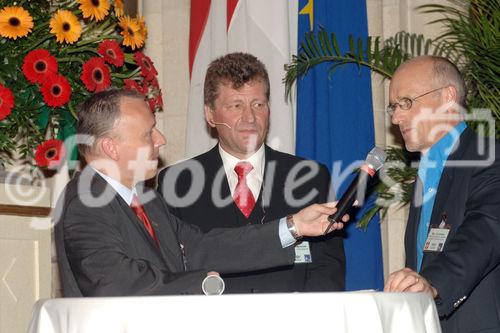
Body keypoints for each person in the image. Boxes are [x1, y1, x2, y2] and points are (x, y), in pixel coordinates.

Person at [54, 88, 347, 297]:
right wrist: (198, 284)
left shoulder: (147, 201)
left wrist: (295, 226)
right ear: (111, 147)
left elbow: (203, 247)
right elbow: (114, 283)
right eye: (148, 133)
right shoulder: (85, 201)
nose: (161, 140)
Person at [157, 52, 345, 293]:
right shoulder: (178, 182)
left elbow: (328, 268)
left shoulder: (310, 176)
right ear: (210, 114)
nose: (250, 117)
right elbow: (172, 271)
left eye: (258, 104)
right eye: (236, 106)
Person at [383, 56, 500, 333]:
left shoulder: (490, 157)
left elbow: (486, 230)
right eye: (394, 107)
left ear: (448, 97)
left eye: (406, 103)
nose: (397, 117)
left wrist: (433, 284)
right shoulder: (426, 170)